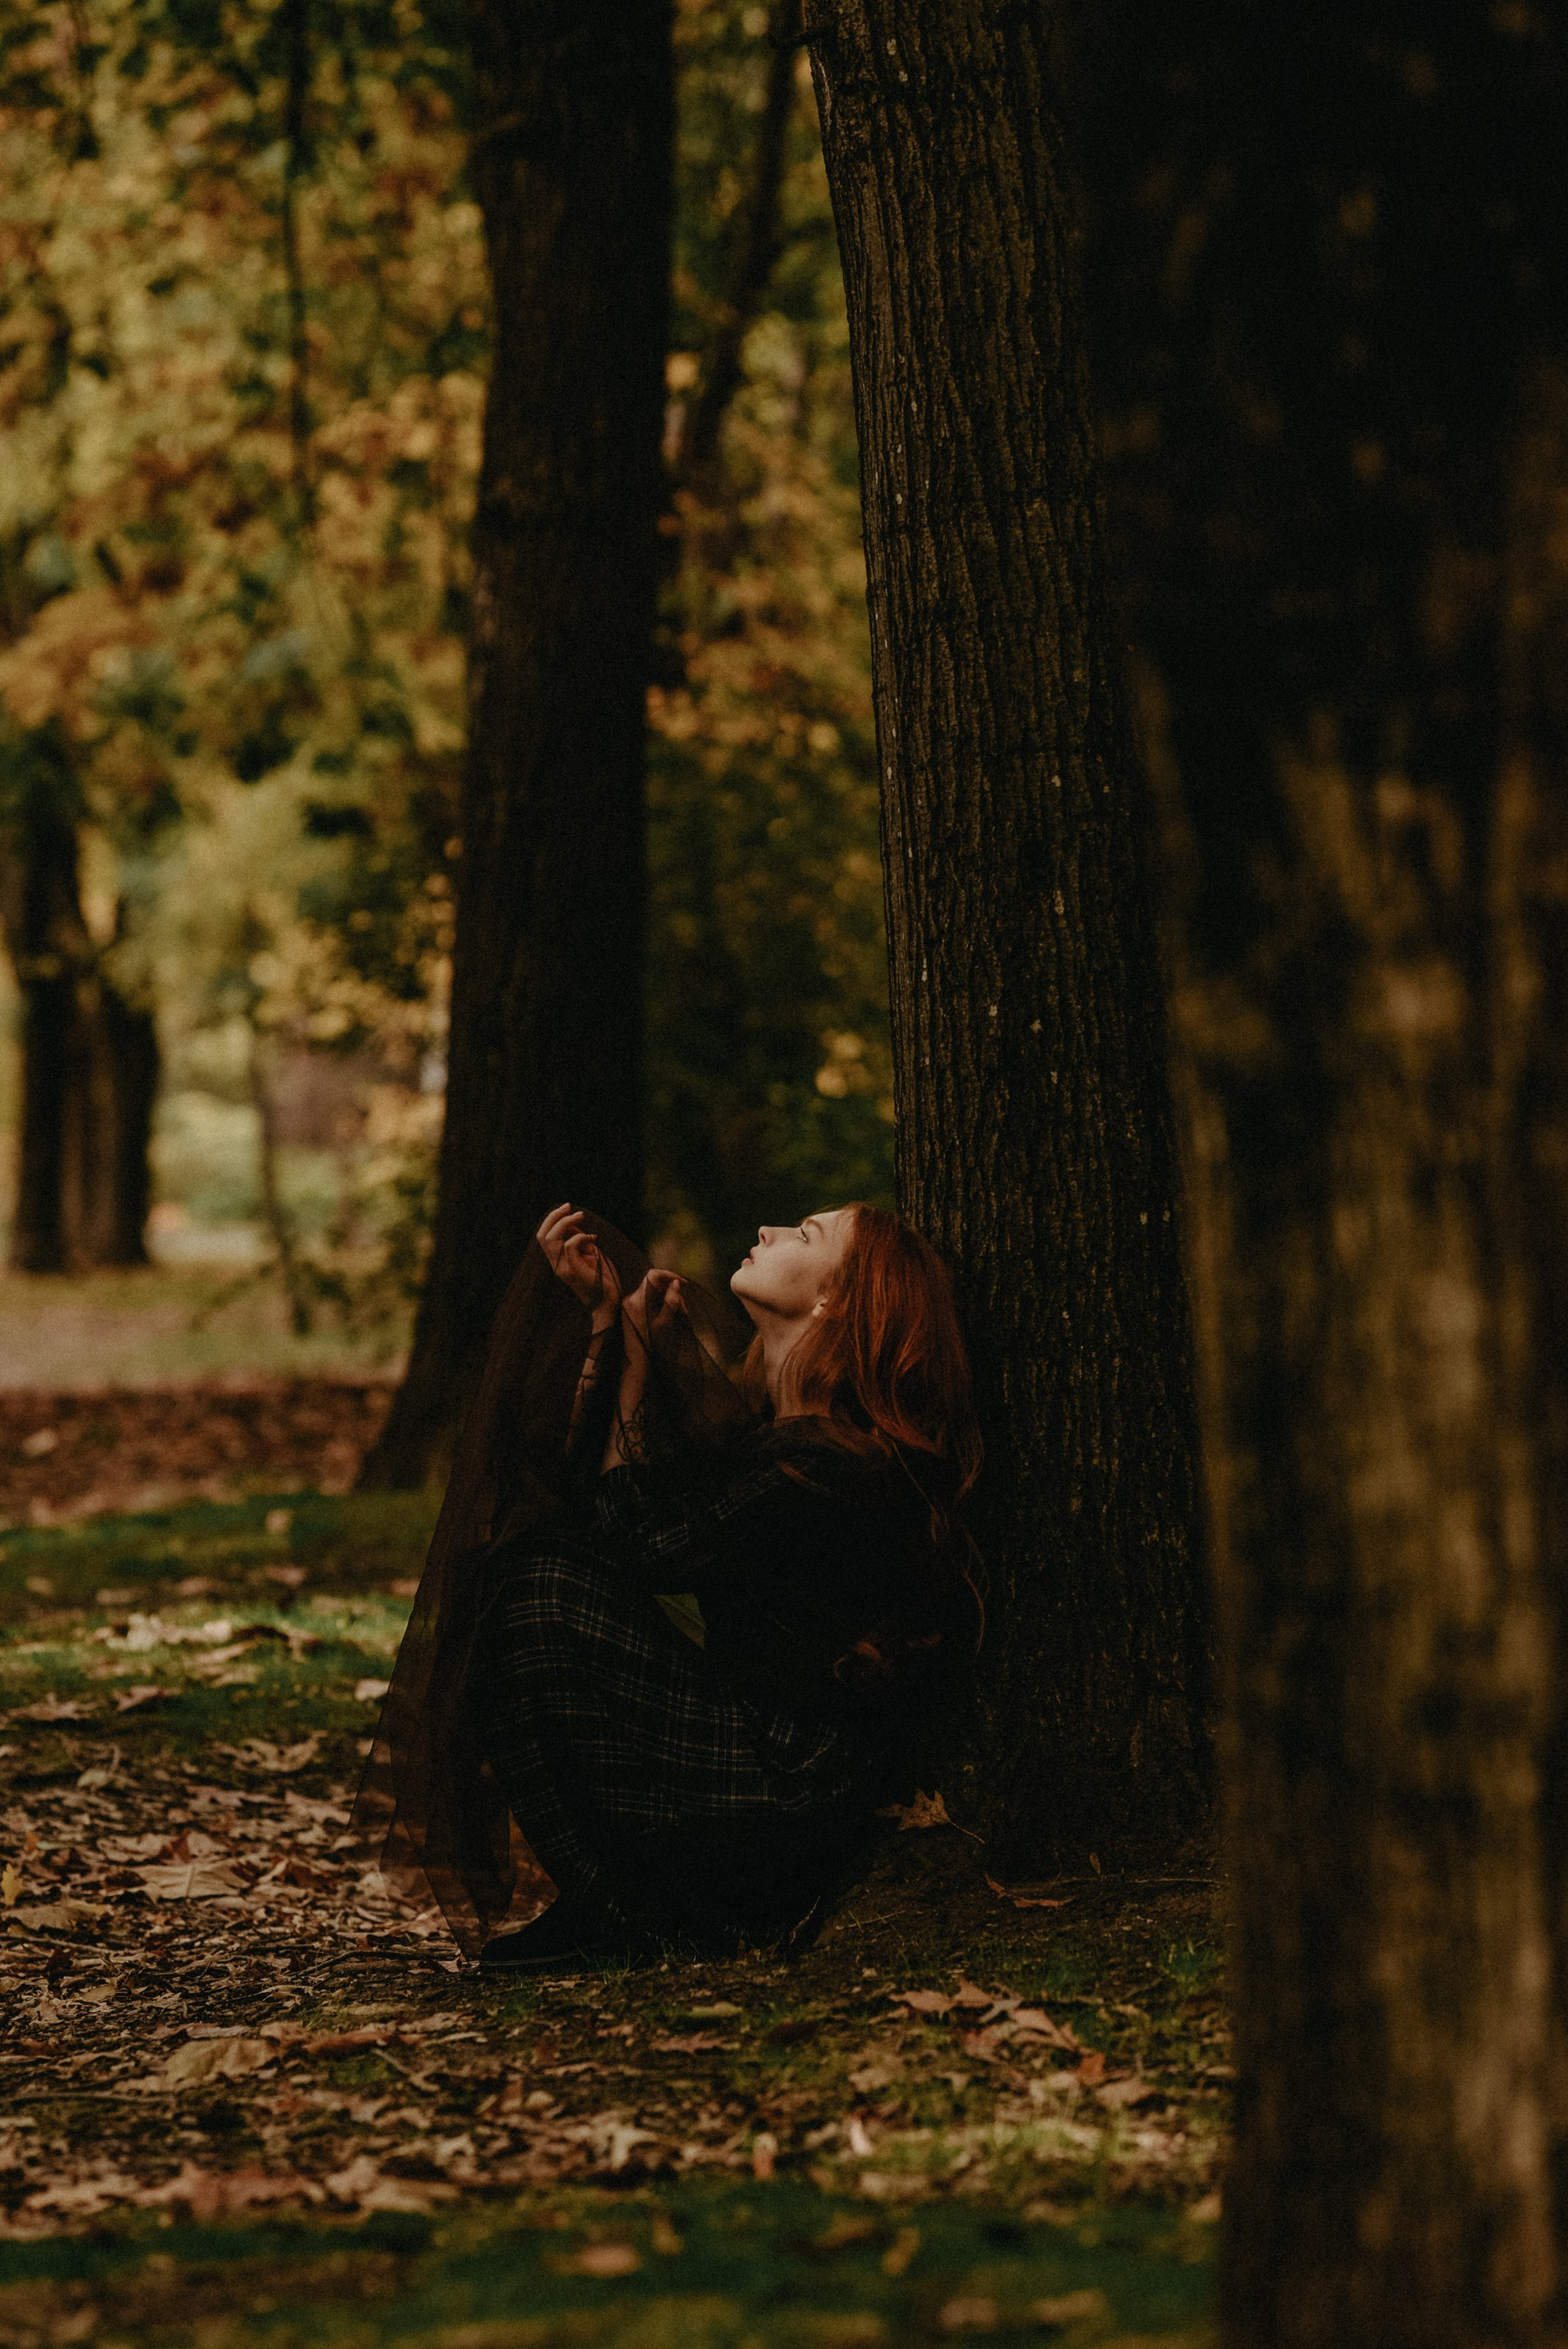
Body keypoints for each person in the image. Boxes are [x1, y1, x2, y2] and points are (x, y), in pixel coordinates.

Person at [355, 1198, 981, 1974]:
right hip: (753, 1759)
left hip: (788, 1793)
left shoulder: (837, 1463)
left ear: (835, 1299)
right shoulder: (775, 1432)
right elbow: (606, 1496)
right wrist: (604, 1322)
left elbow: (638, 1543)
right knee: (521, 1576)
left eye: (805, 1235)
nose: (768, 1230)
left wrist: (636, 1372)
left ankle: (626, 1911)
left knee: (533, 1584)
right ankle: (611, 1902)